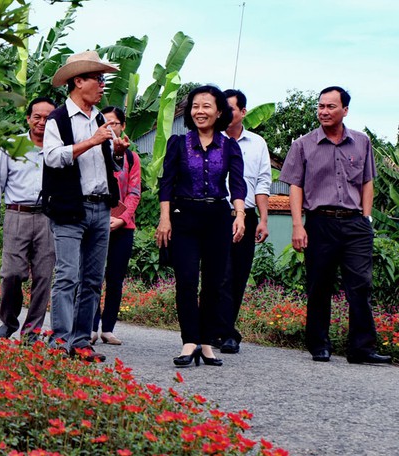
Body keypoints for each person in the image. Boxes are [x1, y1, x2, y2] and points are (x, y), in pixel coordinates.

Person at [279, 86, 390, 365]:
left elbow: (367, 181)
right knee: (319, 285)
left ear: (345, 110)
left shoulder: (362, 142)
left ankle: (361, 348)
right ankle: (319, 345)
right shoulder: (302, 145)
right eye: (320, 106)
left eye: (330, 107)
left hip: (355, 224)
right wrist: (297, 225)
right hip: (320, 223)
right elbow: (295, 186)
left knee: (361, 285)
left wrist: (366, 217)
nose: (323, 112)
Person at [41, 50, 125, 362]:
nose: (103, 85)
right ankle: (61, 342)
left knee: (92, 279)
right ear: (79, 81)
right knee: (67, 277)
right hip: (68, 209)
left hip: (101, 208)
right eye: (98, 79)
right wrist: (92, 140)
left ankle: (80, 343)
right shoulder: (58, 119)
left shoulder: (101, 118)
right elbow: (51, 157)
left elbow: (110, 167)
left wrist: (116, 151)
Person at [155, 85, 247, 368]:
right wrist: (165, 218)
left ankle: (206, 343)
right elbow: (166, 183)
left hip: (218, 216)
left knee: (214, 283)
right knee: (185, 280)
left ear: (219, 111)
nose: (200, 111)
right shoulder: (178, 143)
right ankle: (189, 341)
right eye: (195, 106)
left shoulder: (230, 146)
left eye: (206, 106)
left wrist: (240, 215)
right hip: (184, 216)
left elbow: (238, 183)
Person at [0, 97, 57, 344]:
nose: (42, 122)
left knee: (43, 276)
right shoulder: (13, 145)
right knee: (11, 274)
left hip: (49, 218)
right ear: (28, 118)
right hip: (17, 215)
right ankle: (8, 322)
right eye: (37, 116)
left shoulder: (58, 148)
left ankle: (32, 332)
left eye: (48, 118)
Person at [213, 89, 272, 354]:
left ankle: (222, 328)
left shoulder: (258, 143)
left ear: (243, 112)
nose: (225, 114)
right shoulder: (211, 139)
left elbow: (263, 182)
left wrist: (263, 220)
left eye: (231, 109)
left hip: (247, 216)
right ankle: (225, 333)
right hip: (217, 215)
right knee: (221, 275)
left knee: (238, 275)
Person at [91, 106, 141, 346]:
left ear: (123, 126)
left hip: (124, 227)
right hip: (95, 222)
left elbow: (134, 192)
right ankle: (89, 326)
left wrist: (122, 219)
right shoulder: (94, 150)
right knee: (92, 277)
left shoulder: (132, 157)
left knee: (115, 279)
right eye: (105, 123)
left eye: (115, 123)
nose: (110, 127)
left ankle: (108, 328)